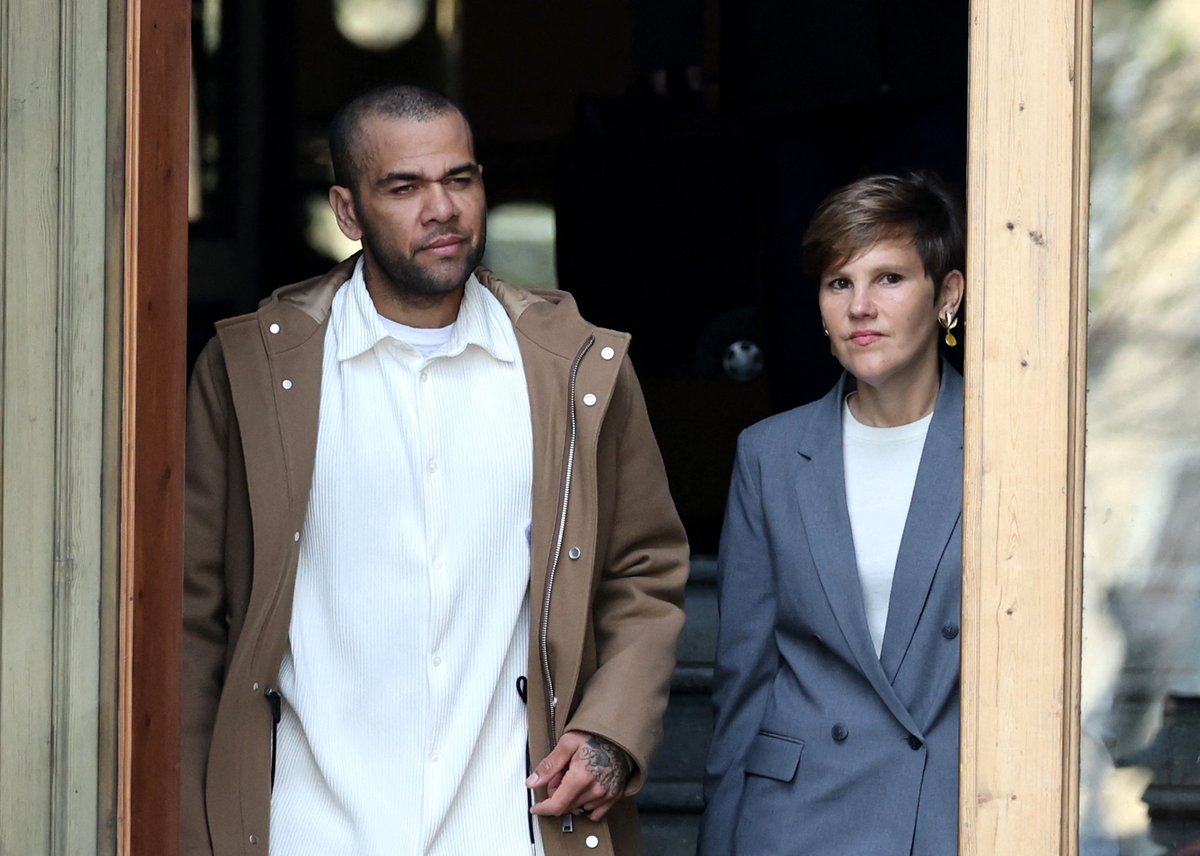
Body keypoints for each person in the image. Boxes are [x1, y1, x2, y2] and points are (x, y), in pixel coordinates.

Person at [182, 83, 689, 856]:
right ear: (348, 211)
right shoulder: (250, 371)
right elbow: (190, 619)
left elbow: (642, 571)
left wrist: (612, 731)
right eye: (404, 187)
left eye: (460, 179)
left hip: (510, 829)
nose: (443, 208)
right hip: (307, 831)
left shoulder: (575, 368)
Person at [699, 172, 966, 855]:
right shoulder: (770, 454)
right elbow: (744, 680)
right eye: (838, 283)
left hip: (946, 815)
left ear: (948, 295)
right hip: (797, 820)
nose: (860, 307)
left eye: (889, 279)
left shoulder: (1003, 445)